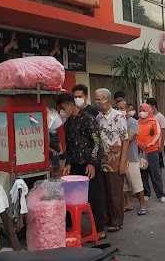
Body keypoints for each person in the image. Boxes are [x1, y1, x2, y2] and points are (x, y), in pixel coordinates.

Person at [56, 93, 106, 239]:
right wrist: (68, 164)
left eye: (63, 108)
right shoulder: (68, 124)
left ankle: (99, 228)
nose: (62, 111)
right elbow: (70, 147)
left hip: (90, 165)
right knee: (73, 198)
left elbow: (97, 143)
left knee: (95, 197)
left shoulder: (88, 120)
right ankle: (75, 228)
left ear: (71, 104)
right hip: (76, 166)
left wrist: (92, 163)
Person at [94, 88, 129, 232]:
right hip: (102, 160)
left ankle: (117, 221)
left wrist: (122, 162)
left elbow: (125, 140)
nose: (96, 102)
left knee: (115, 192)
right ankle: (108, 218)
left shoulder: (118, 116)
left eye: (98, 99)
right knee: (105, 192)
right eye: (95, 99)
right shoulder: (98, 118)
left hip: (115, 160)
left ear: (107, 100)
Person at [116, 100, 147, 216]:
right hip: (119, 159)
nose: (120, 111)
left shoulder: (133, 122)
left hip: (131, 158)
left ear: (128, 110)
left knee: (136, 184)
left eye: (123, 109)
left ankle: (143, 205)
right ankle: (128, 204)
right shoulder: (116, 122)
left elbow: (129, 138)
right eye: (118, 108)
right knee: (124, 185)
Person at [137, 103, 165, 203]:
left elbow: (158, 134)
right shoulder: (137, 122)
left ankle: (160, 194)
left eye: (144, 110)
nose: (142, 112)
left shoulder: (154, 121)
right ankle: (146, 193)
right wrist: (139, 144)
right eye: (140, 110)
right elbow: (134, 135)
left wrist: (149, 144)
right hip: (141, 152)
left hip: (152, 151)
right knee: (143, 173)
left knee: (155, 173)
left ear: (149, 110)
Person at [146, 97, 165, 168]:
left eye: (149, 106)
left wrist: (161, 145)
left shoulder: (160, 117)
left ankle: (158, 178)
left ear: (154, 106)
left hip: (158, 145)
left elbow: (163, 132)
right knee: (150, 164)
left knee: (159, 164)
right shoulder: (147, 117)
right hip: (149, 145)